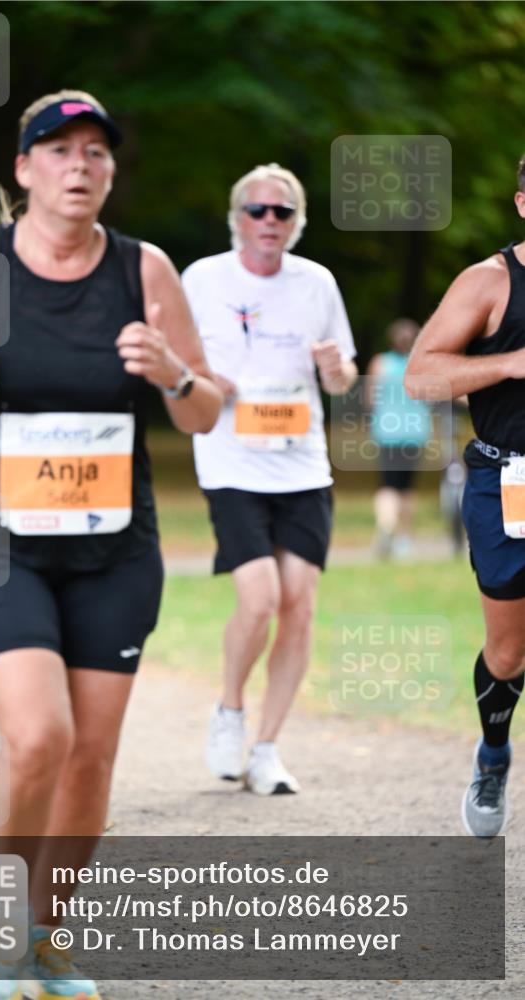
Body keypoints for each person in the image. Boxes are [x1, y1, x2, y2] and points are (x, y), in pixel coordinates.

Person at [0, 90, 221, 1000]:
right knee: (40, 736)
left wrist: (175, 373)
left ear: (109, 171)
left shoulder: (143, 269)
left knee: (90, 757)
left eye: (96, 153)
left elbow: (204, 410)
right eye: (59, 150)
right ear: (25, 168)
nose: (80, 166)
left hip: (113, 545)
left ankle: (45, 940)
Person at [182, 164, 357, 796]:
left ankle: (267, 749)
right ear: (236, 219)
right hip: (230, 460)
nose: (269, 222)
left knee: (299, 605)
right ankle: (229, 708)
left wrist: (338, 368)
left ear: (297, 222)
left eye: (281, 213)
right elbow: (174, 362)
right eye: (257, 210)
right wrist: (205, 380)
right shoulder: (202, 278)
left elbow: (341, 378)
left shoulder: (317, 283)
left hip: (302, 463)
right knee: (258, 598)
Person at [405, 152, 525, 838]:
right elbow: (418, 378)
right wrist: (508, 362)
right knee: (508, 653)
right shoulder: (488, 282)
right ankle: (492, 755)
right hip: (505, 479)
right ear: (519, 205)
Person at [365, 318, 431, 559]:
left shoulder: (379, 363)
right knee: (407, 488)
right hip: (415, 432)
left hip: (387, 432)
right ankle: (403, 539)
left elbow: (370, 398)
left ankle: (386, 525)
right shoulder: (422, 365)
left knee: (387, 484)